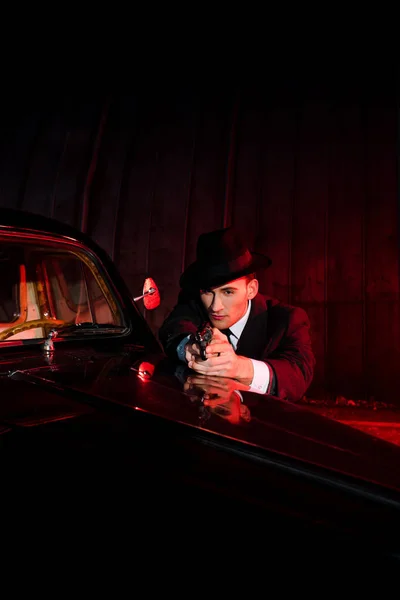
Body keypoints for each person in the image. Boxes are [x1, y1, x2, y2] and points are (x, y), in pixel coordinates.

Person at [158, 226, 315, 402]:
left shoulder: (287, 319)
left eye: (228, 292)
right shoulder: (194, 303)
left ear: (251, 289)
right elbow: (172, 328)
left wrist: (239, 367)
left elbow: (299, 374)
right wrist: (188, 347)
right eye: (208, 292)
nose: (215, 307)